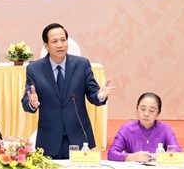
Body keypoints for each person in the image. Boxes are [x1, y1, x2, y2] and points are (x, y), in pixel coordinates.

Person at [21, 23, 115, 159]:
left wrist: (99, 95)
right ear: (46, 46)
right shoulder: (34, 69)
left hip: (79, 136)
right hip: (50, 139)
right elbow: (27, 100)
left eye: (63, 40)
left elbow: (93, 93)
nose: (60, 45)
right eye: (54, 41)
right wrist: (32, 104)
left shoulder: (82, 65)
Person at [107, 92, 181, 162]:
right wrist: (130, 157)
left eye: (151, 111)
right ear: (137, 109)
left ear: (158, 113)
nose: (146, 114)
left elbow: (178, 153)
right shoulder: (126, 129)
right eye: (142, 109)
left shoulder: (165, 129)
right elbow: (111, 154)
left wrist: (159, 157)